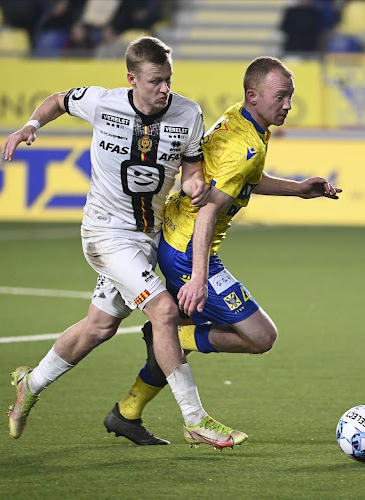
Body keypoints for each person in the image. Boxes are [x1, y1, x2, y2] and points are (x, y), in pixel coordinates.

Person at [2, 36, 246, 449]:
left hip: (149, 237)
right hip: (105, 233)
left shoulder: (188, 113)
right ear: (131, 78)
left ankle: (32, 382)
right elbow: (59, 100)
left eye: (168, 79)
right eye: (155, 81)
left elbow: (190, 169)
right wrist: (31, 125)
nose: (164, 88)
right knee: (164, 312)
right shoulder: (102, 101)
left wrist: (193, 185)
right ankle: (195, 420)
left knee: (99, 327)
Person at [103, 56, 342, 445]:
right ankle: (175, 338)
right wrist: (198, 278)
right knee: (261, 337)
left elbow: (241, 181)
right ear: (254, 95)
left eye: (291, 97)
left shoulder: (242, 120)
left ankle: (127, 412)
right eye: (281, 97)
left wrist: (298, 189)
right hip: (187, 250)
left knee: (188, 333)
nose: (288, 106)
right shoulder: (244, 146)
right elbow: (209, 210)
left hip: (181, 241)